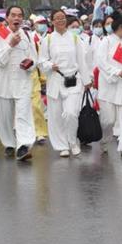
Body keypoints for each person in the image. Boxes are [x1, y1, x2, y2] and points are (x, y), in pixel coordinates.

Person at [38, 9, 92, 157]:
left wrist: (87, 80)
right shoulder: (47, 39)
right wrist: (50, 65)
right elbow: (41, 60)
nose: (60, 21)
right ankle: (62, 145)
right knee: (55, 116)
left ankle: (72, 141)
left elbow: (82, 60)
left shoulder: (75, 39)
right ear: (52, 21)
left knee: (71, 114)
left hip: (73, 81)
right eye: (57, 18)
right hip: (55, 80)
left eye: (63, 18)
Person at [0, 6, 38, 161]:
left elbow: (34, 58)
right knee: (4, 117)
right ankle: (9, 144)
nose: (16, 18)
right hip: (4, 83)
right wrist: (9, 45)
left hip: (22, 81)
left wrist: (30, 64)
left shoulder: (27, 35)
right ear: (7, 17)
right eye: (13, 15)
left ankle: (24, 145)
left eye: (19, 15)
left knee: (23, 115)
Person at [96, 11, 122, 157]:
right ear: (121, 26)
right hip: (108, 85)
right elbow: (101, 62)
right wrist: (114, 71)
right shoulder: (106, 41)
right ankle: (105, 139)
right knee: (108, 120)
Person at [31, 15, 49, 143]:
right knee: (32, 105)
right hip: (32, 75)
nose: (42, 25)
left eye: (44, 23)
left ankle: (40, 132)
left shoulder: (49, 37)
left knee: (38, 105)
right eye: (39, 23)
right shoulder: (31, 38)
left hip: (44, 75)